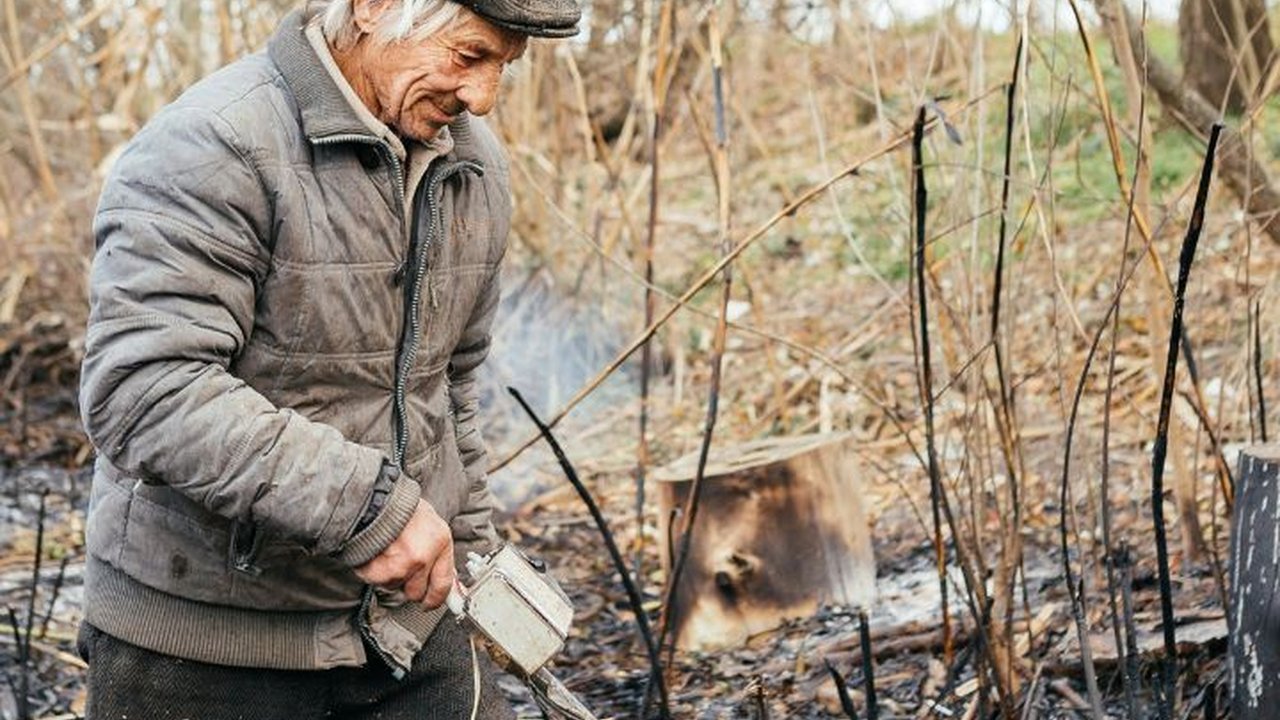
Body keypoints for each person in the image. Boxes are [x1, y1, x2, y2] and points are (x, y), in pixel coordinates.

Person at [76, 1, 580, 717]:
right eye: (470, 56)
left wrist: (475, 570)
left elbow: (449, 391)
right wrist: (369, 509)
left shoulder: (474, 167)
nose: (484, 98)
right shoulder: (213, 142)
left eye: (505, 66)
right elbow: (143, 391)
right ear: (374, 7)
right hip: (203, 646)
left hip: (407, 630)